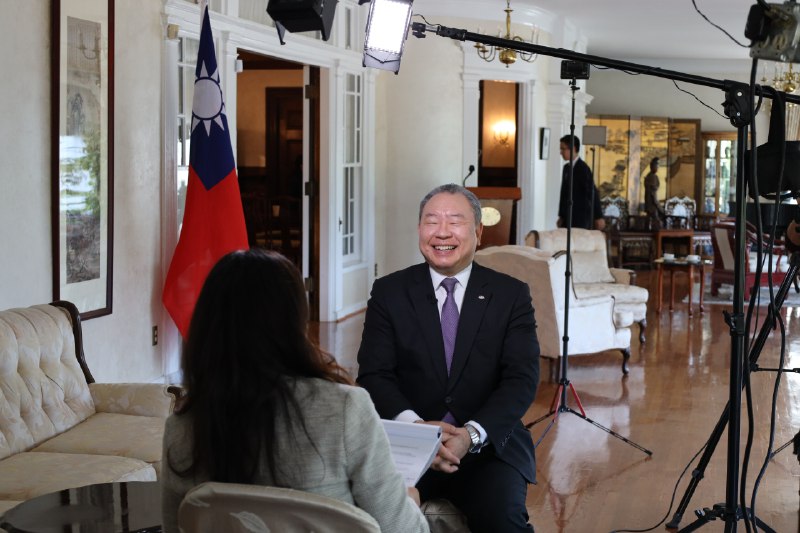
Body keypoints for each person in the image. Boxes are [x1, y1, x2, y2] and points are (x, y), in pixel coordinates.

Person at [161, 249, 429, 533]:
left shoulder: (181, 426)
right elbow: (403, 529)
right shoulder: (344, 409)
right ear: (294, 321)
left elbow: (174, 527)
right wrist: (410, 502)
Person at [357, 184, 540, 532]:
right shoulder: (389, 292)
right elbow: (374, 375)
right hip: (407, 445)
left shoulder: (510, 295)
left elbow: (521, 379)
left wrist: (470, 435)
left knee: (503, 520)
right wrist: (416, 429)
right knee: (372, 518)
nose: (442, 232)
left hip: (487, 446)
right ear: (419, 230)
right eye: (432, 221)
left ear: (478, 232)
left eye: (455, 222)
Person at [557, 134, 605, 230]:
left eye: (563, 149)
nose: (561, 152)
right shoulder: (566, 168)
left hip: (580, 218)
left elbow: (592, 192)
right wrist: (561, 215)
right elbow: (563, 193)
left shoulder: (583, 168)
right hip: (567, 218)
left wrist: (598, 216)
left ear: (573, 148)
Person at [644, 157, 665, 229]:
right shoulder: (652, 177)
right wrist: (661, 209)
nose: (658, 167)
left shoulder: (650, 176)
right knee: (660, 224)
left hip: (650, 206)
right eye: (657, 165)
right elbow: (654, 197)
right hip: (652, 207)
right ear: (652, 166)